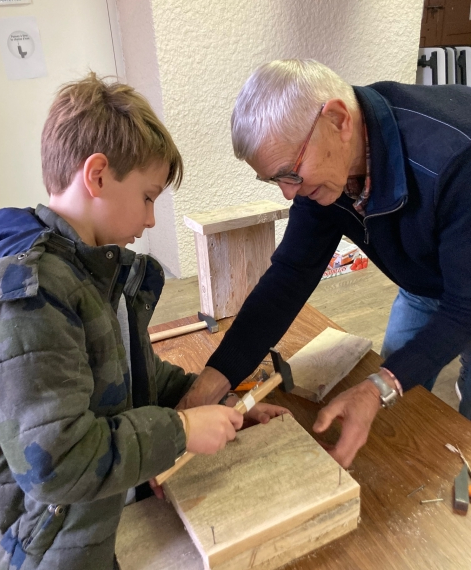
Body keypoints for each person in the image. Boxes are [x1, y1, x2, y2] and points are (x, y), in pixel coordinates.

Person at [0, 73, 285, 570]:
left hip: (100, 533)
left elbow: (127, 376)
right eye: (147, 198)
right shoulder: (32, 296)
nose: (151, 220)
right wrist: (180, 431)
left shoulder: (89, 272)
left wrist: (211, 405)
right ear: (97, 175)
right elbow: (56, 463)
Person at [177, 58, 471, 470]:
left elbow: (465, 307)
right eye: (272, 180)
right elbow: (290, 276)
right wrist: (211, 382)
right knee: (402, 398)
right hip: (428, 278)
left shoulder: (455, 161)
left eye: (289, 173)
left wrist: (379, 387)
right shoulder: (325, 174)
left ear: (337, 119)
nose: (286, 194)